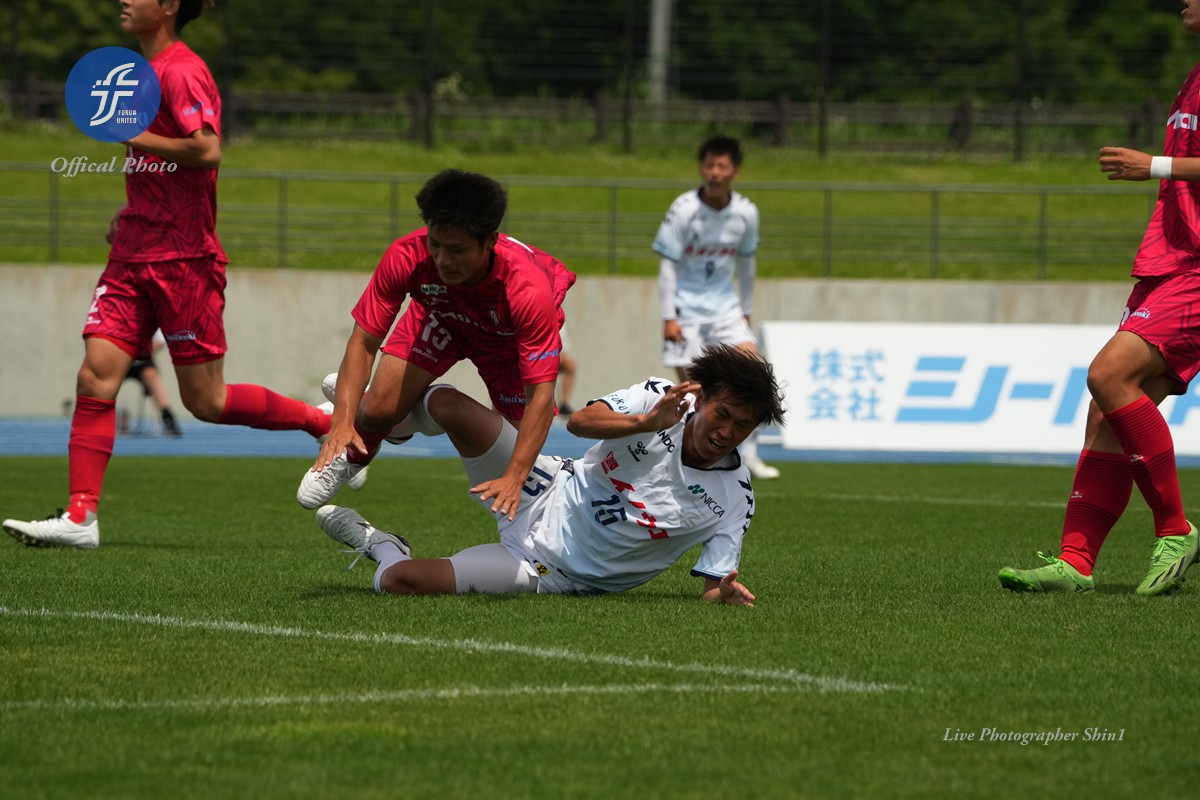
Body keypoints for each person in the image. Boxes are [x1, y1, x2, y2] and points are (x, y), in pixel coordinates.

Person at [3, 0, 334, 550]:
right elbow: (157, 165)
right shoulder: (139, 74)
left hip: (184, 262)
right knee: (94, 378)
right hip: (132, 255)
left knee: (206, 402)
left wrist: (133, 135)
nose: (124, 0)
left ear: (170, 6)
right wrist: (132, 211)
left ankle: (321, 424)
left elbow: (207, 150)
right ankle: (81, 515)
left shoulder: (182, 70)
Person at [314, 344, 785, 603]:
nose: (727, 432)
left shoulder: (736, 499)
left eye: (743, 426)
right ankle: (381, 422)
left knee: (399, 583)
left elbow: (713, 586)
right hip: (543, 486)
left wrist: (723, 594)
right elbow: (580, 422)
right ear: (700, 398)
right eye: (723, 414)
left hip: (546, 570)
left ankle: (384, 546)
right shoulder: (661, 398)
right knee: (447, 402)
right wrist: (645, 423)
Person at [998, 3, 1200, 596]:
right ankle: (1076, 562)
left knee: (1109, 375)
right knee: (1105, 412)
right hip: (1171, 258)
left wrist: (1154, 165)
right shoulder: (1193, 75)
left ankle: (1176, 529)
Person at [300, 169, 575, 519]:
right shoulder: (406, 255)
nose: (443, 260)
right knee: (376, 412)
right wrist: (343, 422)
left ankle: (406, 413)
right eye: (435, 244)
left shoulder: (528, 290)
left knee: (510, 452)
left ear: (490, 241)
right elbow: (364, 342)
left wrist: (514, 477)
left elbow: (541, 396)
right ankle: (356, 449)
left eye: (457, 249)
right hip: (442, 314)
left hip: (504, 343)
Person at [654, 135, 779, 481]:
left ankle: (749, 455)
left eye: (722, 166)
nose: (715, 173)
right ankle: (689, 461)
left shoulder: (746, 213)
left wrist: (746, 310)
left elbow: (747, 264)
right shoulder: (683, 209)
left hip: (726, 310)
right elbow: (668, 266)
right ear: (702, 169)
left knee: (755, 374)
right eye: (709, 165)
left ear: (734, 171)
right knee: (697, 394)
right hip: (686, 312)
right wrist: (669, 317)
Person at [123, 329, 183, 436]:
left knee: (152, 376)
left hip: (142, 360)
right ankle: (99, 413)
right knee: (107, 380)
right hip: (119, 358)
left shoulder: (152, 320)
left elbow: (160, 341)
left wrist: (139, 353)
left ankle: (167, 416)